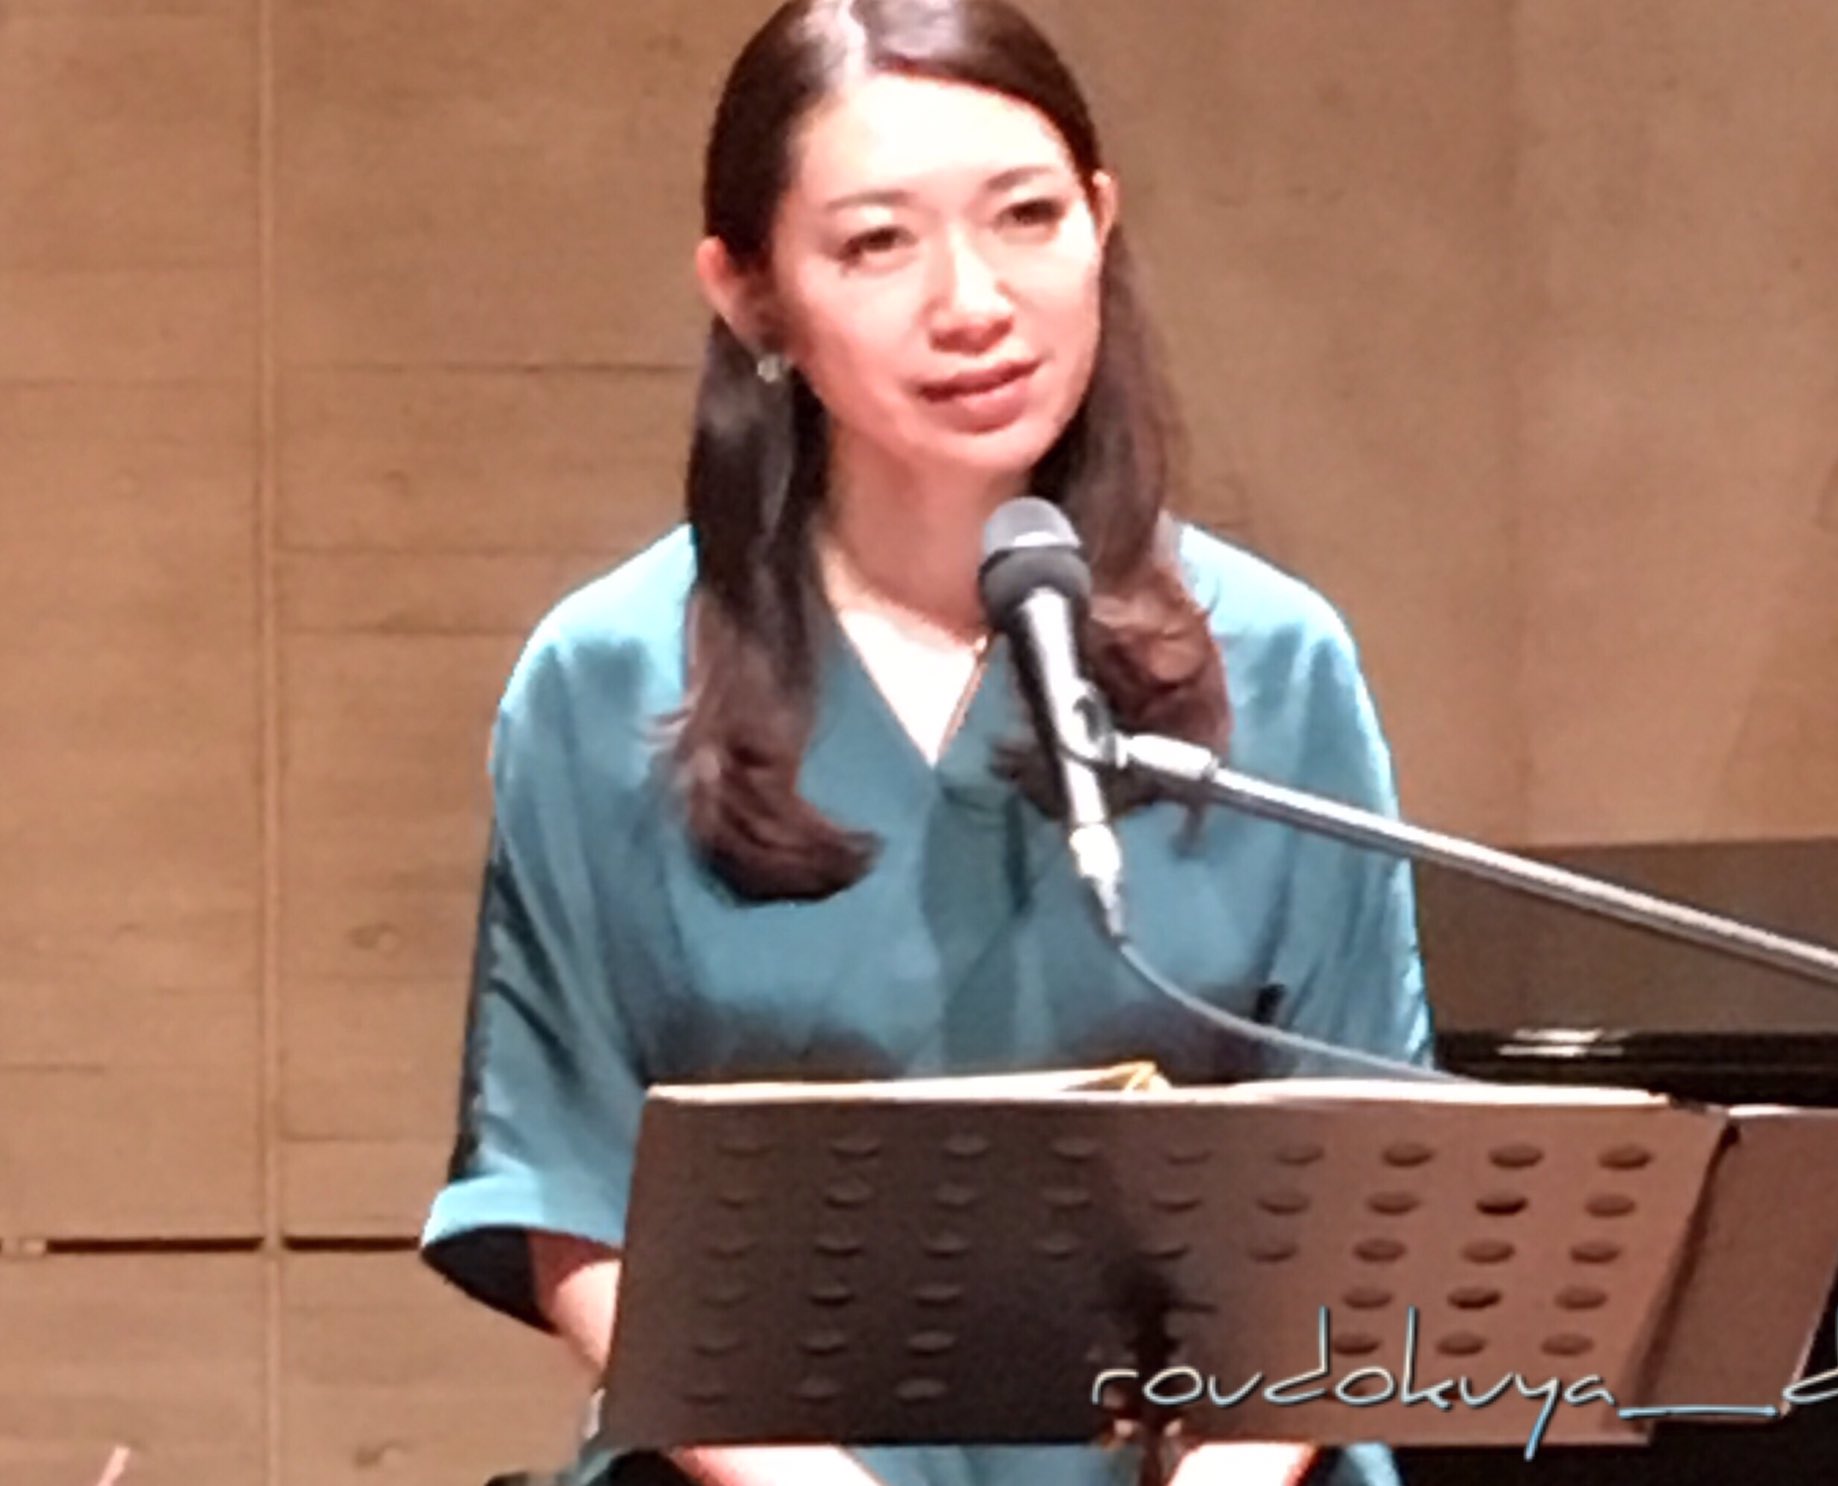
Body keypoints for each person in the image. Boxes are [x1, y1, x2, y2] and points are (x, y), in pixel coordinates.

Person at [421, 2, 1435, 1484]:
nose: (974, 301)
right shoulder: (604, 681)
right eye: (878, 243)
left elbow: (1361, 1192)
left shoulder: (1278, 661)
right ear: (750, 294)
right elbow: (577, 1202)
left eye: (1028, 217)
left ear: (1101, 223)